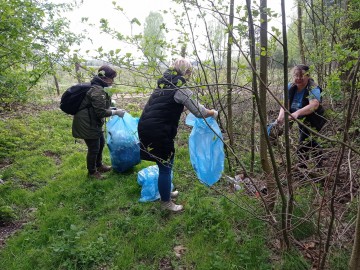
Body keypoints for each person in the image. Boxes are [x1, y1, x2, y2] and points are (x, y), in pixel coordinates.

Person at [138, 58, 218, 212]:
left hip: (145, 126)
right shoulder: (180, 88)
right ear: (186, 72)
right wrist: (213, 112)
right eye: (189, 73)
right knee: (165, 165)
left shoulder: (163, 84)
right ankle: (166, 202)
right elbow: (199, 112)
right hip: (158, 131)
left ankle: (165, 192)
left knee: (163, 163)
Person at [72, 65, 126, 179]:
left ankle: (99, 165)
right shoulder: (97, 90)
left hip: (92, 121)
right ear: (105, 78)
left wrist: (113, 109)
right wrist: (115, 113)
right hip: (87, 123)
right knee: (94, 148)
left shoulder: (99, 87)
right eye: (112, 78)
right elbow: (100, 113)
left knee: (100, 144)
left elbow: (98, 108)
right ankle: (92, 172)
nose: (113, 81)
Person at [276, 64, 326, 168]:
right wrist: (280, 116)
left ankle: (302, 170)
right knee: (310, 141)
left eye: (302, 75)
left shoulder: (313, 87)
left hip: (314, 119)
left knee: (303, 144)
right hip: (301, 119)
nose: (298, 78)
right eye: (296, 75)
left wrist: (297, 113)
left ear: (308, 75)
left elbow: (314, 105)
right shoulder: (290, 87)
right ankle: (320, 160)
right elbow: (285, 104)